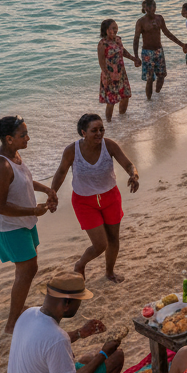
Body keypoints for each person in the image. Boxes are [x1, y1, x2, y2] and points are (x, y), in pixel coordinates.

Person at [5, 272, 125, 373]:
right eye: (79, 302)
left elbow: (43, 344)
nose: (80, 305)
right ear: (67, 304)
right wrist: (103, 353)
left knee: (88, 358)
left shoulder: (28, 314)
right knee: (116, 357)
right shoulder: (57, 338)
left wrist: (80, 333)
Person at [0, 115, 56, 333]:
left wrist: (45, 189)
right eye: (23, 135)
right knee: (28, 269)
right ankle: (12, 323)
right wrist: (34, 210)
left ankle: (18, 308)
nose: (28, 138)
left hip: (23, 221)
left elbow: (22, 179)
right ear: (8, 138)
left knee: (26, 268)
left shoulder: (14, 155)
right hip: (7, 226)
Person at [49, 113, 139, 283]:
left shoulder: (109, 145)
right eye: (94, 130)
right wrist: (52, 193)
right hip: (84, 202)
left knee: (113, 239)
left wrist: (133, 175)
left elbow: (128, 164)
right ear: (83, 132)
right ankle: (80, 264)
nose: (99, 133)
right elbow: (61, 172)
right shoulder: (72, 150)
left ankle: (110, 272)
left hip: (110, 197)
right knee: (100, 244)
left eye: (101, 129)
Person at [132, 0, 185, 100]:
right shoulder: (141, 22)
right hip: (147, 52)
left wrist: (181, 44)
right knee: (149, 78)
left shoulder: (159, 18)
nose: (151, 9)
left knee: (161, 75)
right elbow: (136, 39)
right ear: (144, 9)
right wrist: (136, 57)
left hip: (159, 51)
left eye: (153, 7)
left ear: (155, 8)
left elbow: (167, 33)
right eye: (148, 8)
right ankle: (149, 101)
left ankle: (157, 95)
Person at [97, 18, 139, 121]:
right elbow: (101, 61)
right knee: (111, 101)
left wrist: (134, 58)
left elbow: (123, 51)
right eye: (113, 28)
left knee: (125, 97)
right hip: (109, 75)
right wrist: (106, 75)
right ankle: (109, 124)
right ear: (106, 30)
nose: (116, 29)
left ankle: (122, 121)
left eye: (116, 27)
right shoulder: (102, 44)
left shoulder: (118, 39)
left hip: (121, 73)